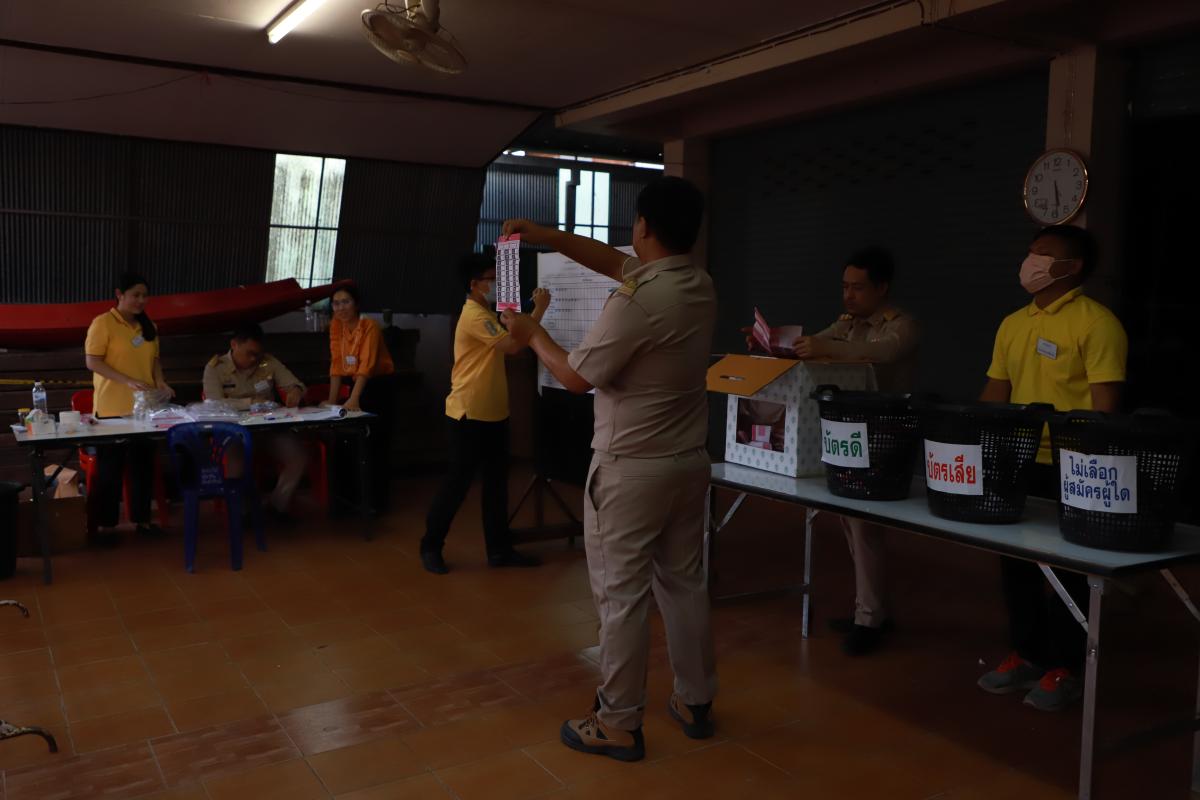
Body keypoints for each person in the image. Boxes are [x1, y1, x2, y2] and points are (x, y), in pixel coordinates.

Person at [500, 176, 717, 763]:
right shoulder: (697, 284)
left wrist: (533, 334)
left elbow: (576, 376)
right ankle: (695, 699)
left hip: (630, 473)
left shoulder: (637, 302)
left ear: (642, 226)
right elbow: (614, 262)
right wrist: (550, 236)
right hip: (687, 464)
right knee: (684, 584)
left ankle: (618, 721)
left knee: (621, 597)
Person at [976, 224, 1127, 711]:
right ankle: (1026, 653)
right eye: (1030, 252)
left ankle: (1067, 667)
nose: (1031, 261)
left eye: (1043, 254)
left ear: (1072, 266)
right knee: (1015, 563)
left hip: (1072, 464)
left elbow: (1105, 406)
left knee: (1069, 570)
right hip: (1019, 459)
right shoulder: (1012, 323)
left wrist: (1089, 459)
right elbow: (996, 392)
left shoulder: (1097, 323)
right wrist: (976, 440)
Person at [750, 247, 919, 656]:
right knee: (852, 524)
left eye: (858, 288)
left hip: (885, 435)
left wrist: (825, 348)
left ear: (882, 287)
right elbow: (815, 343)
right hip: (849, 430)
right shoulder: (846, 323)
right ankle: (870, 609)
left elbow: (881, 352)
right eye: (844, 287)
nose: (848, 296)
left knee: (865, 528)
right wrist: (774, 344)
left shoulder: (901, 325)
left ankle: (870, 617)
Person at [420, 255, 550, 574]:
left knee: (496, 486)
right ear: (474, 284)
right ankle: (431, 547)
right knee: (457, 485)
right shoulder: (474, 315)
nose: (496, 284)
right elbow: (513, 347)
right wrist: (539, 309)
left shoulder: (486, 313)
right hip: (469, 413)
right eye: (490, 279)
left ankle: (499, 551)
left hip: (494, 413)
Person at [83, 272, 174, 546]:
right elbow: (93, 361)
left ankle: (142, 521)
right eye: (135, 295)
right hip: (112, 410)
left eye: (145, 295)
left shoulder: (149, 326)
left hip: (144, 410)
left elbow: (154, 360)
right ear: (119, 294)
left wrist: (161, 381)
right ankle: (107, 527)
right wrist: (126, 380)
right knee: (110, 469)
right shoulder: (103, 323)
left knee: (142, 466)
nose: (141, 300)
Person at [203, 322, 308, 522]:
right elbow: (214, 403)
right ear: (234, 345)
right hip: (233, 432)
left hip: (268, 430)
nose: (253, 359)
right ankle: (242, 513)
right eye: (249, 353)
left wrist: (296, 391)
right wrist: (250, 403)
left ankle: (277, 505)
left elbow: (296, 384)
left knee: (298, 458)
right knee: (236, 464)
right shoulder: (215, 368)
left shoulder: (268, 362)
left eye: (257, 354)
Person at [328, 284, 396, 512]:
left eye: (346, 302)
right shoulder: (336, 326)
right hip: (353, 387)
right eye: (336, 303)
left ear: (356, 304)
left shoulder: (370, 326)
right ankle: (349, 500)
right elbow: (336, 365)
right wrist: (332, 401)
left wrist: (354, 399)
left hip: (376, 386)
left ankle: (375, 504)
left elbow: (366, 365)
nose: (341, 307)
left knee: (374, 444)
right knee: (348, 444)